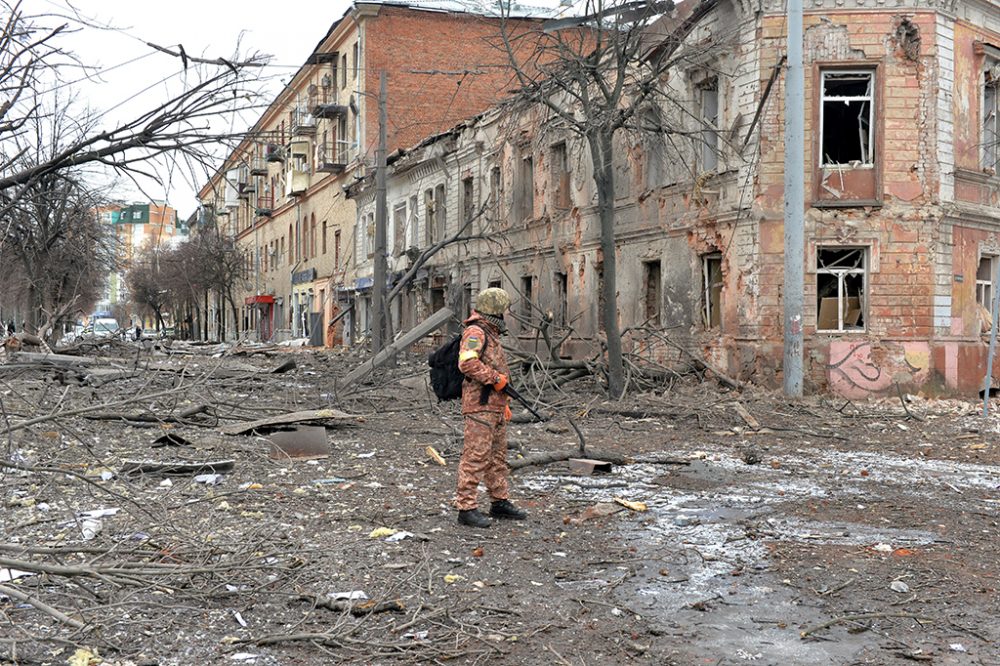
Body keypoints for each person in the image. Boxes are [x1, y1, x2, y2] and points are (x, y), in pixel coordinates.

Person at [454, 287, 527, 528]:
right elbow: (467, 363)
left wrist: (503, 403)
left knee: (497, 458)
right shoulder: (475, 332)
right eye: (503, 308)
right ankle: (466, 508)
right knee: (475, 457)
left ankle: (499, 502)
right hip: (479, 407)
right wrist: (496, 379)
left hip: (494, 407)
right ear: (495, 309)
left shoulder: (491, 332)